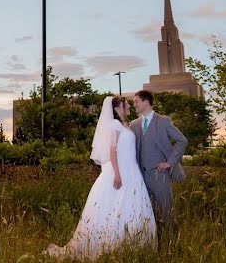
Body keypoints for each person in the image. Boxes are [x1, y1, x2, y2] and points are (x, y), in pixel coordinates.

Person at [45, 95, 156, 260]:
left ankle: (133, 245)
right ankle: (109, 246)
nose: (129, 108)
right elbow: (112, 151)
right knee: (114, 207)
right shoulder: (115, 125)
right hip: (120, 171)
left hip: (132, 171)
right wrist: (117, 174)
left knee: (130, 206)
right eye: (126, 106)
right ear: (118, 108)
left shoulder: (126, 125)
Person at [130, 90, 188, 233]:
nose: (134, 104)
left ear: (145, 102)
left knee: (167, 212)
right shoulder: (134, 124)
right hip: (141, 176)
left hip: (160, 174)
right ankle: (156, 243)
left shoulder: (163, 121)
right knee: (148, 214)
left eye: (136, 101)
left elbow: (182, 140)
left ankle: (174, 243)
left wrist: (170, 162)